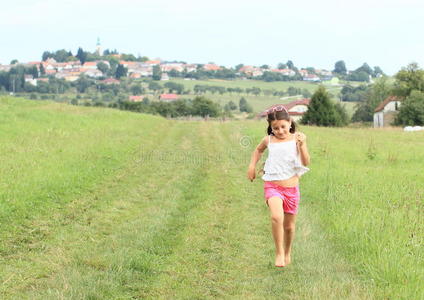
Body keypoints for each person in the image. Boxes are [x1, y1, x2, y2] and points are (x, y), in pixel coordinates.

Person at [247, 105, 310, 267]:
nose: (280, 131)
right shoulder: (268, 140)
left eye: (283, 126)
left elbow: (306, 162)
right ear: (271, 127)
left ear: (290, 123)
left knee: (289, 227)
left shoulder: (298, 138)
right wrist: (252, 166)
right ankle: (279, 253)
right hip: (272, 186)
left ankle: (287, 251)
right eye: (275, 128)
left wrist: (302, 146)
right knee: (276, 217)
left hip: (291, 189)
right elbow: (258, 150)